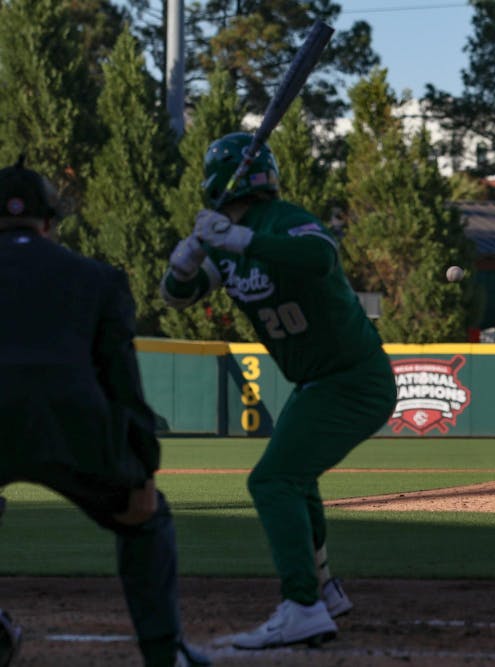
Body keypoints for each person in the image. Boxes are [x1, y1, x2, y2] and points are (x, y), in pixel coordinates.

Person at [159, 133, 397, 650]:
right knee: (295, 478)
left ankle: (301, 606)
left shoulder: (282, 220)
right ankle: (323, 590)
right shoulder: (227, 241)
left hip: (352, 378)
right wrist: (183, 264)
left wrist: (241, 240)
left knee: (273, 481)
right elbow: (177, 297)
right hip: (318, 383)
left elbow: (320, 257)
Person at [0, 157, 208, 666]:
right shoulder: (97, 278)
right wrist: (143, 467)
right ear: (49, 223)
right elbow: (121, 382)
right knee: (145, 518)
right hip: (73, 424)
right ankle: (165, 654)